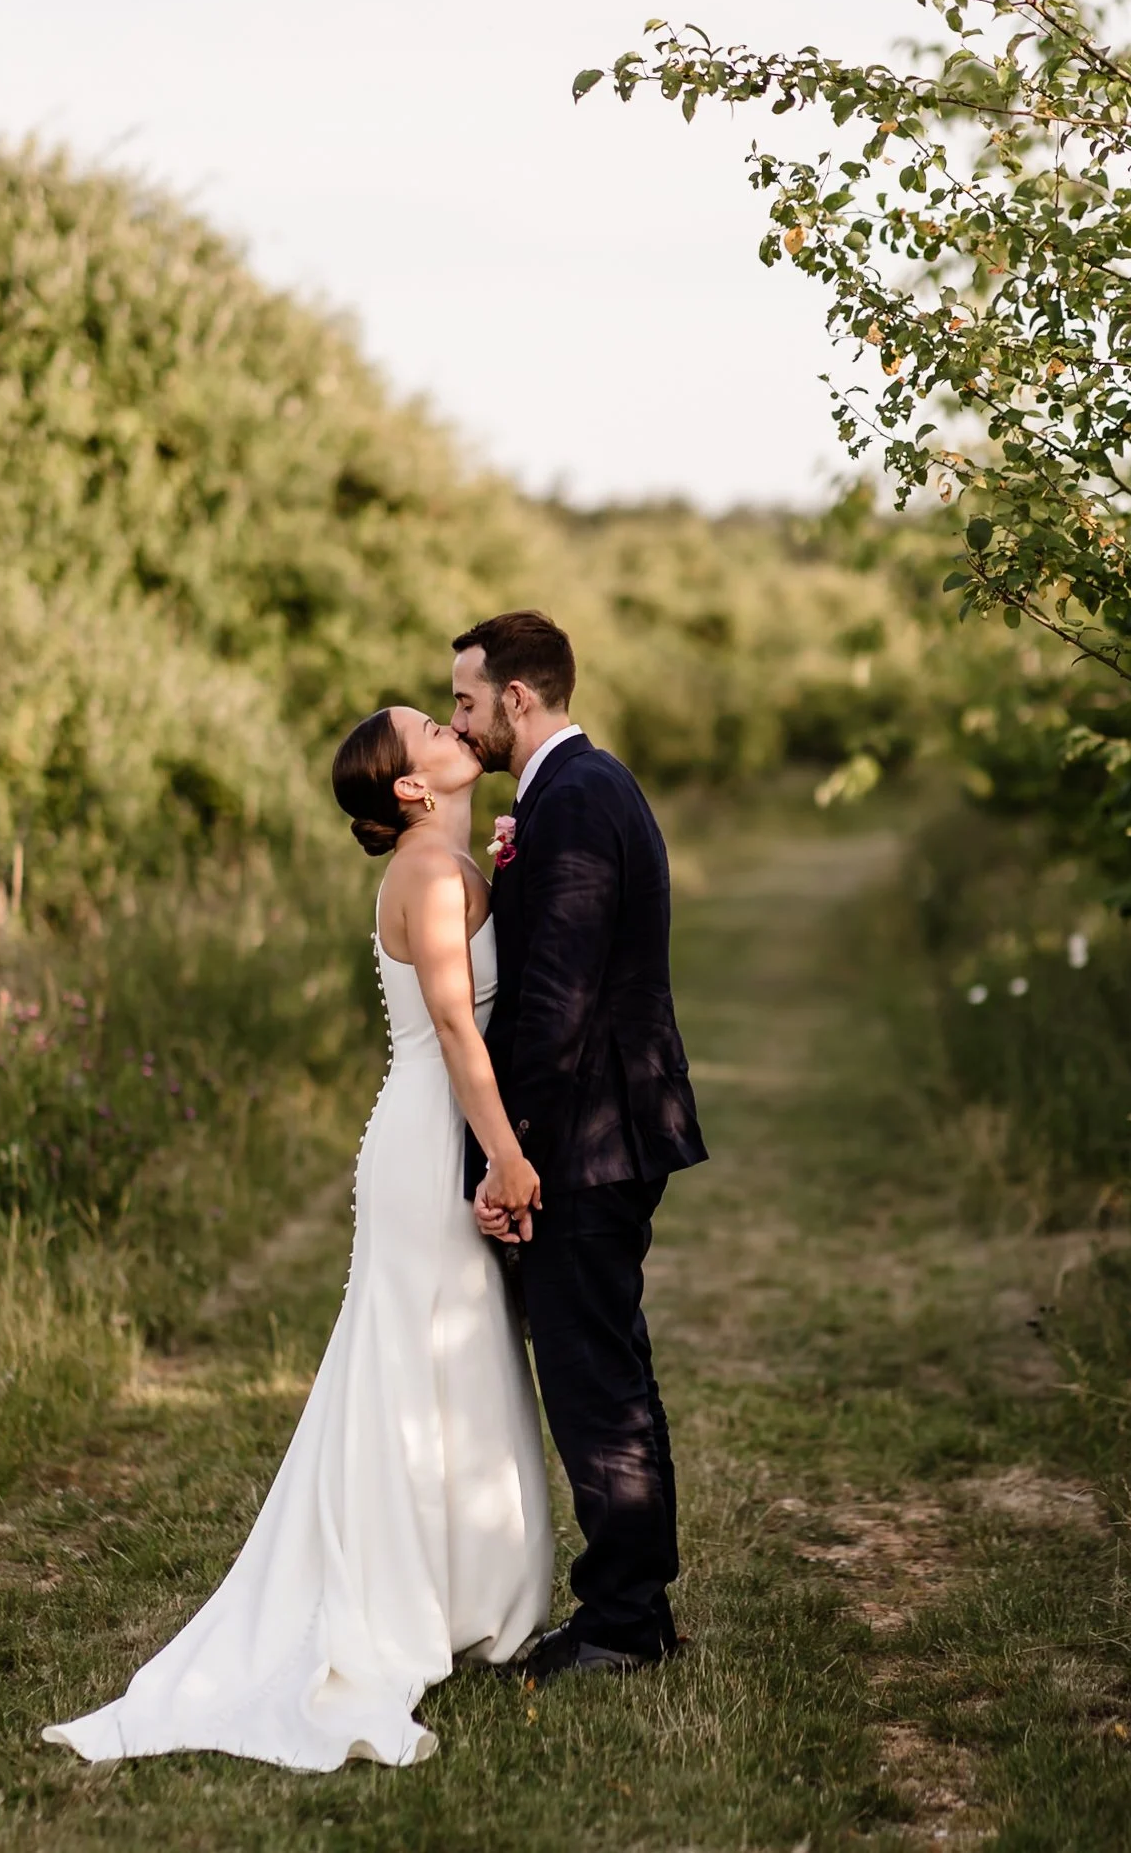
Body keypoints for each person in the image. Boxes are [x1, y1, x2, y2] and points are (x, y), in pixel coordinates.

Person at [43, 707, 551, 1770]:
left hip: (430, 1126)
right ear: (410, 788)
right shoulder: (431, 871)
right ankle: (402, 1601)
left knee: (453, 1356)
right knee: (412, 1362)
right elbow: (458, 1027)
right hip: (429, 1139)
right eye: (430, 729)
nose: (451, 726)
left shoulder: (448, 855)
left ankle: (462, 1589)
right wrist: (503, 1154)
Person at [451, 610, 707, 1681]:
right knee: (607, 1366)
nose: (459, 721)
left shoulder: (571, 799)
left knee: (592, 1377)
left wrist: (512, 1160)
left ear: (518, 697)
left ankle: (622, 1621)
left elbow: (552, 1006)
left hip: (588, 1138)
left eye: (465, 700)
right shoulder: (577, 789)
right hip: (606, 1126)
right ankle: (630, 1606)